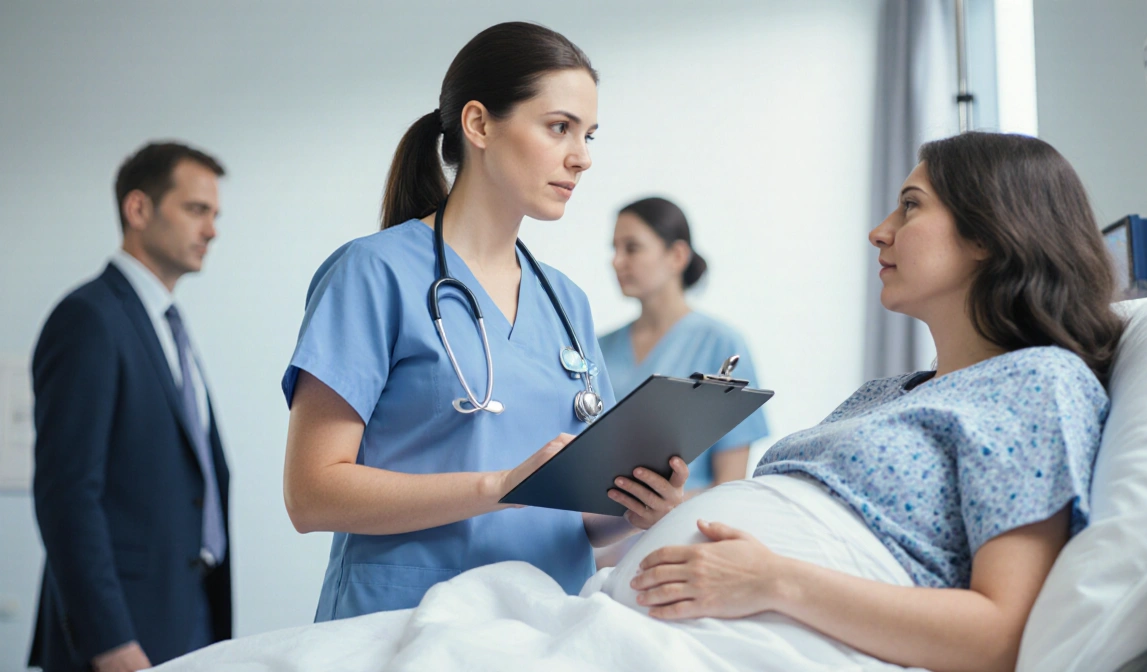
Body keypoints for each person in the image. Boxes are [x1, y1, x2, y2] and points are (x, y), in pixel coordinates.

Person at [610, 132, 1126, 672]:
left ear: (990, 234)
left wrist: (772, 581)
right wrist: (682, 516)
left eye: (910, 207)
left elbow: (1000, 638)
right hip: (658, 619)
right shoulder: (882, 395)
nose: (879, 232)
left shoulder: (1038, 381)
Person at [281, 21, 688, 621]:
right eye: (559, 128)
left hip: (545, 628)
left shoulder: (565, 302)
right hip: (401, 627)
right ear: (478, 124)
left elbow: (579, 512)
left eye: (589, 134)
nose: (582, 158)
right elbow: (311, 494)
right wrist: (498, 487)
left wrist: (633, 506)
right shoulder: (372, 274)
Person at [29, 142, 231, 671]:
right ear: (138, 209)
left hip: (189, 614)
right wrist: (109, 640)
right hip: (121, 634)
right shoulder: (88, 320)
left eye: (214, 214)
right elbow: (67, 495)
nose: (211, 229)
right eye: (195, 210)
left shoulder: (170, 327)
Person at [599, 197, 769, 491]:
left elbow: (730, 484)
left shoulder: (721, 343)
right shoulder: (598, 348)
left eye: (632, 248)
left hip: (685, 525)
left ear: (677, 255)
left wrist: (664, 511)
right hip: (602, 527)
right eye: (614, 249)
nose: (616, 261)